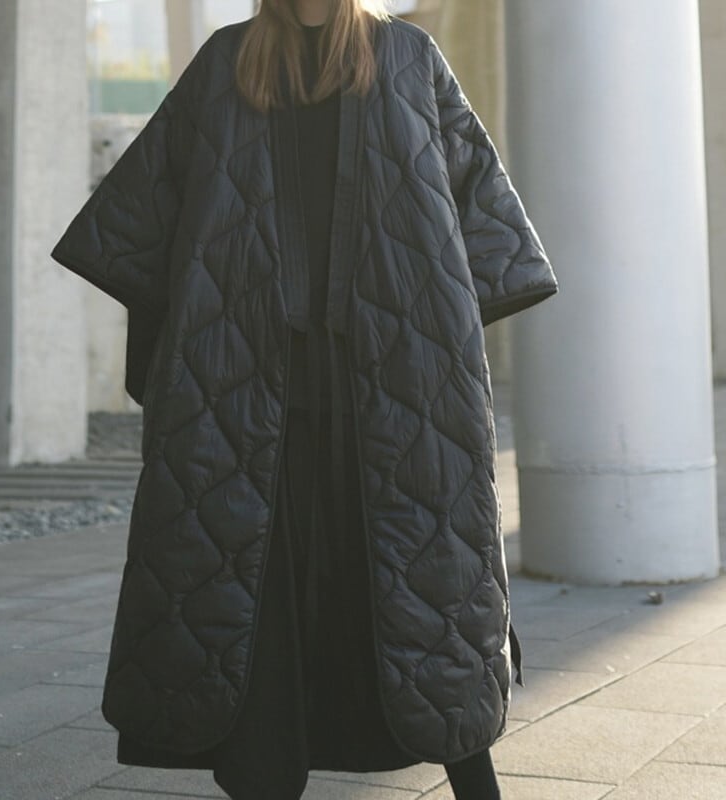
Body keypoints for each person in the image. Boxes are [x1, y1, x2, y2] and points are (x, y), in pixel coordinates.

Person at [50, 1, 558, 798]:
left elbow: (480, 218)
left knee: (425, 582)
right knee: (255, 600)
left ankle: (471, 774)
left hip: (391, 387)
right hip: (250, 386)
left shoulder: (409, 59)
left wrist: (437, 343)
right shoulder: (227, 63)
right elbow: (147, 216)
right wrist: (181, 358)